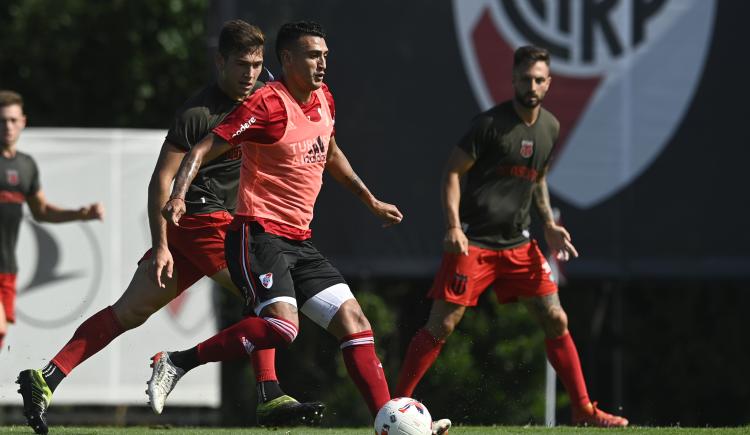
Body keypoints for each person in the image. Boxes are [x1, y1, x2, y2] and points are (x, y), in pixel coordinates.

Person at [16, 21, 323, 435]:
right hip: (201, 221)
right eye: (240, 65)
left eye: (255, 64)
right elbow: (161, 181)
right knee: (266, 298)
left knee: (130, 310)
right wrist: (160, 245)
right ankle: (268, 395)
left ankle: (47, 379)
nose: (249, 74)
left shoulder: (270, 94)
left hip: (211, 228)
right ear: (220, 62)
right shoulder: (199, 114)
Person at [150, 21, 450, 434]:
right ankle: (177, 361)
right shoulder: (266, 105)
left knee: (355, 322)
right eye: (313, 55)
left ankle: (388, 423)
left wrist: (371, 200)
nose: (322, 63)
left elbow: (328, 152)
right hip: (256, 235)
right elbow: (202, 148)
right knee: (282, 326)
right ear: (287, 59)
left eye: (325, 55)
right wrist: (179, 195)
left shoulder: (324, 97)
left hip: (299, 241)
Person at [393, 45, 629, 428]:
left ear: (548, 83)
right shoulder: (489, 125)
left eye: (539, 79)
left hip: (519, 244)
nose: (531, 85)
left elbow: (538, 180)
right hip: (475, 242)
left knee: (556, 318)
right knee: (442, 325)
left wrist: (548, 225)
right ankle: (395, 407)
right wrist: (453, 225)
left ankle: (584, 411)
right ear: (513, 80)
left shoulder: (550, 127)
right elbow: (452, 173)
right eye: (525, 78)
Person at [0, 89, 104, 356]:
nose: (8, 127)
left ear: (23, 121)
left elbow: (42, 211)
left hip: (7, 269)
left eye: (13, 120)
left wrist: (81, 213)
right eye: (2, 121)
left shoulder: (26, 166)